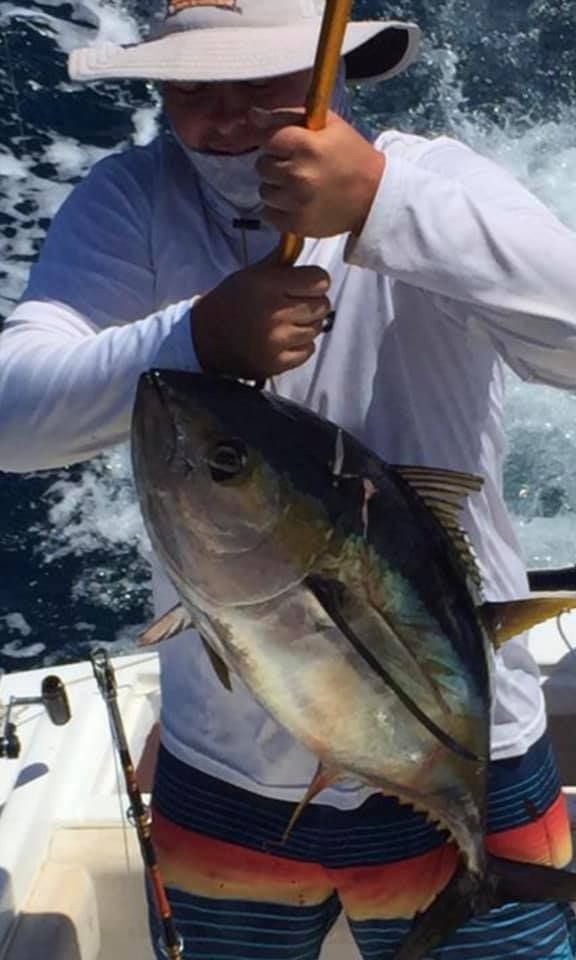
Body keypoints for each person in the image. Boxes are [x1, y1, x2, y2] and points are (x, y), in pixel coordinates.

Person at [2, 1, 576, 957]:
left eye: (262, 82)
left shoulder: (435, 183)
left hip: (468, 739)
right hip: (223, 777)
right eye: (192, 87)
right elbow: (13, 419)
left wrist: (386, 207)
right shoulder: (130, 199)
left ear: (335, 69)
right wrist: (193, 338)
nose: (224, 117)